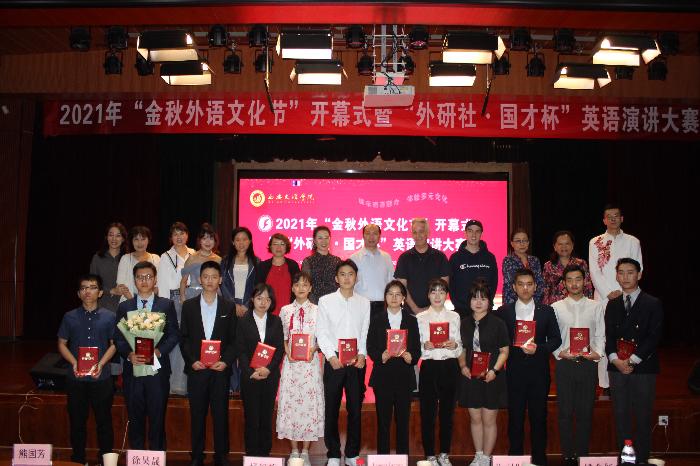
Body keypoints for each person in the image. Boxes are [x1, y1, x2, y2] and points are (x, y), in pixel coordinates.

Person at [495, 268, 561, 466]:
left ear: (535, 287)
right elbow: (499, 341)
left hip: (539, 373)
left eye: (529, 284)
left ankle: (539, 460)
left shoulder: (546, 311)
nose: (525, 288)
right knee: (515, 418)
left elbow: (556, 339)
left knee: (538, 418)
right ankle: (515, 459)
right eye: (521, 284)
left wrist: (539, 349)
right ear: (514, 287)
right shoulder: (504, 312)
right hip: (514, 373)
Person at [115, 261, 179, 450]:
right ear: (134, 280)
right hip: (133, 370)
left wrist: (159, 351)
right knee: (135, 417)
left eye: (148, 277)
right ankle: (137, 456)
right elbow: (118, 338)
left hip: (157, 371)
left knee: (157, 417)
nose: (144, 281)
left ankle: (157, 456)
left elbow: (174, 334)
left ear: (155, 280)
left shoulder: (166, 305)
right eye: (140, 277)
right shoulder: (124, 307)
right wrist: (129, 354)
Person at [605, 258, 662, 466]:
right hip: (617, 368)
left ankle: (642, 459)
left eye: (630, 272)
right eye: (621, 272)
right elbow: (609, 337)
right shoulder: (613, 304)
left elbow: (654, 337)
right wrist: (615, 360)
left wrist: (632, 360)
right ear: (616, 276)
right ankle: (625, 460)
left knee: (642, 416)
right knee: (621, 415)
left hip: (643, 367)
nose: (625, 277)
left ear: (639, 274)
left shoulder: (652, 303)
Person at [179, 261, 237, 466]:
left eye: (214, 277)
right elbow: (184, 338)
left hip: (220, 371)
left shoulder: (229, 306)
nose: (210, 280)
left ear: (220, 280)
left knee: (221, 415)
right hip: (198, 370)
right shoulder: (189, 306)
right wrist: (192, 361)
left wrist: (226, 362)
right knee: (197, 415)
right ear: (200, 279)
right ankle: (197, 456)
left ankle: (221, 455)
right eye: (206, 276)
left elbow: (234, 340)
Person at [57, 274, 116, 465]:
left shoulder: (110, 316)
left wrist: (101, 363)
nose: (87, 291)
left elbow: (114, 345)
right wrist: (74, 362)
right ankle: (78, 460)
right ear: (78, 293)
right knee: (77, 422)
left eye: (92, 287)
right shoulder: (69, 317)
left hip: (102, 378)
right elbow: (61, 343)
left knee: (104, 422)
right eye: (83, 288)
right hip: (76, 379)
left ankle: (106, 461)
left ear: (100, 292)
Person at [316, 259, 370, 466]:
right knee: (331, 408)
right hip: (334, 360)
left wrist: (362, 355)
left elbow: (365, 331)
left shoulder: (364, 302)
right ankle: (333, 454)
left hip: (356, 360)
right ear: (336, 278)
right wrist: (331, 356)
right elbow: (321, 331)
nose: (347, 278)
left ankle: (352, 454)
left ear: (356, 278)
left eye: (351, 274)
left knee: (355, 409)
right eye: (343, 274)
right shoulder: (325, 301)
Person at [551, 264, 605, 466]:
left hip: (587, 364)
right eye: (570, 280)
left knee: (585, 412)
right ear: (564, 284)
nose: (574, 284)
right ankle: (567, 455)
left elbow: (600, 334)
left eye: (578, 279)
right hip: (565, 364)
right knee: (564, 412)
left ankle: (582, 454)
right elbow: (552, 337)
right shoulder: (556, 308)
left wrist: (596, 354)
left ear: (585, 281)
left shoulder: (595, 306)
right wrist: (559, 353)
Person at [589, 204, 643, 394]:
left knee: (628, 337)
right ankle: (605, 384)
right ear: (604, 220)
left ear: (622, 218)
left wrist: (624, 291)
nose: (612, 219)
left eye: (616, 216)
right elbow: (594, 271)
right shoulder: (595, 242)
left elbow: (638, 268)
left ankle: (628, 376)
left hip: (628, 295)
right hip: (603, 297)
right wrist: (609, 293)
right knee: (603, 337)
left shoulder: (633, 241)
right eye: (609, 216)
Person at [458, 280, 509, 466]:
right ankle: (478, 455)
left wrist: (495, 370)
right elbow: (461, 349)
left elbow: (504, 351)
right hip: (470, 377)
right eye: (474, 298)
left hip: (491, 377)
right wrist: (463, 366)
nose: (478, 302)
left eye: (483, 298)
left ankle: (486, 457)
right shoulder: (463, 323)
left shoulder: (498, 323)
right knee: (475, 418)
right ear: (469, 301)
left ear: (489, 301)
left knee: (489, 419)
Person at [366, 280, 420, 455]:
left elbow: (417, 350)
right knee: (383, 422)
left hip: (404, 377)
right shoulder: (376, 320)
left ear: (403, 297)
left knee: (403, 422)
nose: (394, 297)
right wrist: (379, 356)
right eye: (390, 294)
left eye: (398, 294)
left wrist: (411, 357)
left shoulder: (411, 321)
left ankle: (402, 459)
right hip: (383, 377)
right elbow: (370, 346)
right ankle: (383, 459)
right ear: (385, 297)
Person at [277, 271, 324, 466]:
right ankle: (294, 451)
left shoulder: (319, 310)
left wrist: (314, 348)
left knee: (309, 407)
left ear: (310, 288)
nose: (301, 288)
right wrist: (287, 351)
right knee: (291, 407)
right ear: (292, 288)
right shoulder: (285, 310)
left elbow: (323, 337)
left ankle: (305, 452)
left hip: (310, 366)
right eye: (297, 285)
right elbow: (283, 337)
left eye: (305, 285)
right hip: (291, 366)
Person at [416, 278, 462, 466]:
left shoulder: (454, 317)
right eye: (433, 291)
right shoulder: (420, 318)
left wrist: (454, 345)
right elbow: (415, 349)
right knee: (427, 413)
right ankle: (429, 455)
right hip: (429, 367)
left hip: (450, 366)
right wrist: (424, 346)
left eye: (441, 292)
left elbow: (459, 347)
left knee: (447, 413)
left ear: (446, 295)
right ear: (428, 295)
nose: (437, 296)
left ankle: (444, 453)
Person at [236, 283, 285, 457]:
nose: (263, 302)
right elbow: (240, 350)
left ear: (271, 302)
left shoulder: (276, 321)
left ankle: (264, 455)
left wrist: (269, 369)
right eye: (259, 298)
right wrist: (251, 372)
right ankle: (252, 455)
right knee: (251, 418)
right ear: (252, 299)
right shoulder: (243, 321)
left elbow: (279, 349)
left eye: (267, 299)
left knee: (266, 417)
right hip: (250, 377)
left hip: (270, 376)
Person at [158, 221, 194, 395]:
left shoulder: (194, 253)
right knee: (176, 341)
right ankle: (176, 385)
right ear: (171, 237)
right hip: (174, 300)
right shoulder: (166, 256)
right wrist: (165, 309)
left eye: (182, 233)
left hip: (193, 298)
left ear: (187, 235)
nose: (179, 237)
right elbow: (163, 283)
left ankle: (191, 384)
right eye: (175, 234)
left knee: (192, 340)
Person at [395, 218, 450, 314]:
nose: (418, 236)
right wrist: (416, 309)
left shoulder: (440, 257)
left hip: (435, 312)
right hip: (410, 313)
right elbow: (402, 286)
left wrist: (431, 309)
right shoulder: (404, 258)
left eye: (421, 232)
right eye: (415, 232)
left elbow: (444, 286)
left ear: (427, 233)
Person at [449, 219, 498, 319]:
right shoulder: (455, 258)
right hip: (462, 311)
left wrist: (487, 303)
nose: (473, 235)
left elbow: (494, 282)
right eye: (470, 231)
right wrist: (458, 304)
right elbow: (451, 284)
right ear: (465, 233)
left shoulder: (490, 257)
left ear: (481, 234)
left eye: (477, 231)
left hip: (485, 310)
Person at [350, 223, 395, 317]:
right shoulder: (354, 258)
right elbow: (350, 285)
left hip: (383, 306)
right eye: (368, 233)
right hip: (360, 306)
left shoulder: (386, 257)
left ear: (379, 236)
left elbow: (392, 282)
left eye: (374, 233)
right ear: (363, 236)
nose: (371, 237)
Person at [542, 231, 593, 306]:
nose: (564, 247)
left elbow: (587, 286)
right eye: (560, 244)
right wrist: (545, 308)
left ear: (572, 246)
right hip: (555, 306)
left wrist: (589, 305)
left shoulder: (581, 263)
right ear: (554, 247)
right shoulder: (548, 266)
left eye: (567, 243)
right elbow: (545, 290)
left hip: (578, 304)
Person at [221, 226, 260, 318]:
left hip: (249, 305)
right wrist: (233, 304)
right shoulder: (226, 261)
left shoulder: (257, 262)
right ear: (233, 242)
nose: (241, 243)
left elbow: (258, 286)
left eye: (244, 239)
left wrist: (247, 304)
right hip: (230, 305)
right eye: (237, 240)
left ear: (250, 241)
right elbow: (222, 284)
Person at [257, 233, 300, 315]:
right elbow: (258, 290)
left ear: (286, 247)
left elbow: (298, 288)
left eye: (282, 244)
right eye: (275, 244)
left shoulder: (293, 265)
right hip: (267, 311)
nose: (278, 247)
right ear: (270, 247)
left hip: (290, 312)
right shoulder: (263, 266)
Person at [90, 222, 128, 312]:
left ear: (123, 239)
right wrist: (111, 291)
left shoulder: (128, 258)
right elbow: (92, 283)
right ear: (106, 237)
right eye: (111, 235)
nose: (114, 239)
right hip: (102, 305)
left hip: (125, 305)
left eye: (118, 235)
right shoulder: (97, 258)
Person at [179, 223, 222, 303]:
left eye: (211, 238)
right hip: (194, 296)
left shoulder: (218, 259)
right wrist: (182, 297)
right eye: (204, 238)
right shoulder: (192, 258)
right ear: (200, 241)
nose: (208, 242)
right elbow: (183, 281)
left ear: (215, 241)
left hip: (213, 295)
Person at [116, 225, 160, 303]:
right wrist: (134, 303)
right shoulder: (125, 258)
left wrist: (147, 301)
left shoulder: (156, 258)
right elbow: (121, 285)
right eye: (136, 239)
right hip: (129, 301)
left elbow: (159, 284)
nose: (140, 243)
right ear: (132, 241)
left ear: (148, 240)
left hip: (151, 302)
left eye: (143, 239)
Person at [502, 228, 545, 305]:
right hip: (513, 302)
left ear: (528, 242)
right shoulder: (508, 260)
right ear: (512, 243)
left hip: (534, 302)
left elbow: (540, 283)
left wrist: (532, 301)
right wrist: (523, 302)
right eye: (518, 241)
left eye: (525, 240)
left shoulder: (534, 260)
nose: (522, 244)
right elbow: (510, 285)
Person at [302, 225, 342, 304]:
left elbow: (341, 284)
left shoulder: (337, 261)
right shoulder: (308, 261)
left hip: (334, 303)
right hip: (314, 304)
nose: (324, 241)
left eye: (326, 238)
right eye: (320, 238)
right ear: (314, 240)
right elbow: (305, 285)